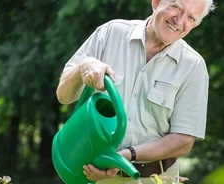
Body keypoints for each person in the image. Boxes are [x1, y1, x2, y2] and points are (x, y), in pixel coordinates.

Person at [55, 0, 215, 183]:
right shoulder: (111, 33)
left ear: (196, 24)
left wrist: (127, 156)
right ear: (156, 2)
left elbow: (183, 141)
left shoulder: (193, 66)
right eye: (176, 6)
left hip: (155, 178)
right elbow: (63, 96)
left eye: (191, 17)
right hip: (94, 174)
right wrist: (82, 68)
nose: (179, 21)